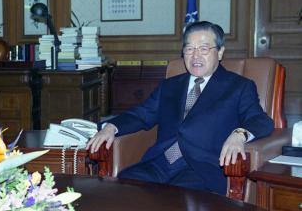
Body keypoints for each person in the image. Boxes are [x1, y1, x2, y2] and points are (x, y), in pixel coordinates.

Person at [87, 21, 274, 195]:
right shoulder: (170, 86)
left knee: (174, 203)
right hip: (160, 163)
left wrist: (239, 134)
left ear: (220, 52)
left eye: (203, 49)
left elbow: (261, 120)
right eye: (189, 48)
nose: (195, 56)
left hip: (201, 169)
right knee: (122, 190)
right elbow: (142, 114)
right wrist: (111, 127)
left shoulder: (239, 87)